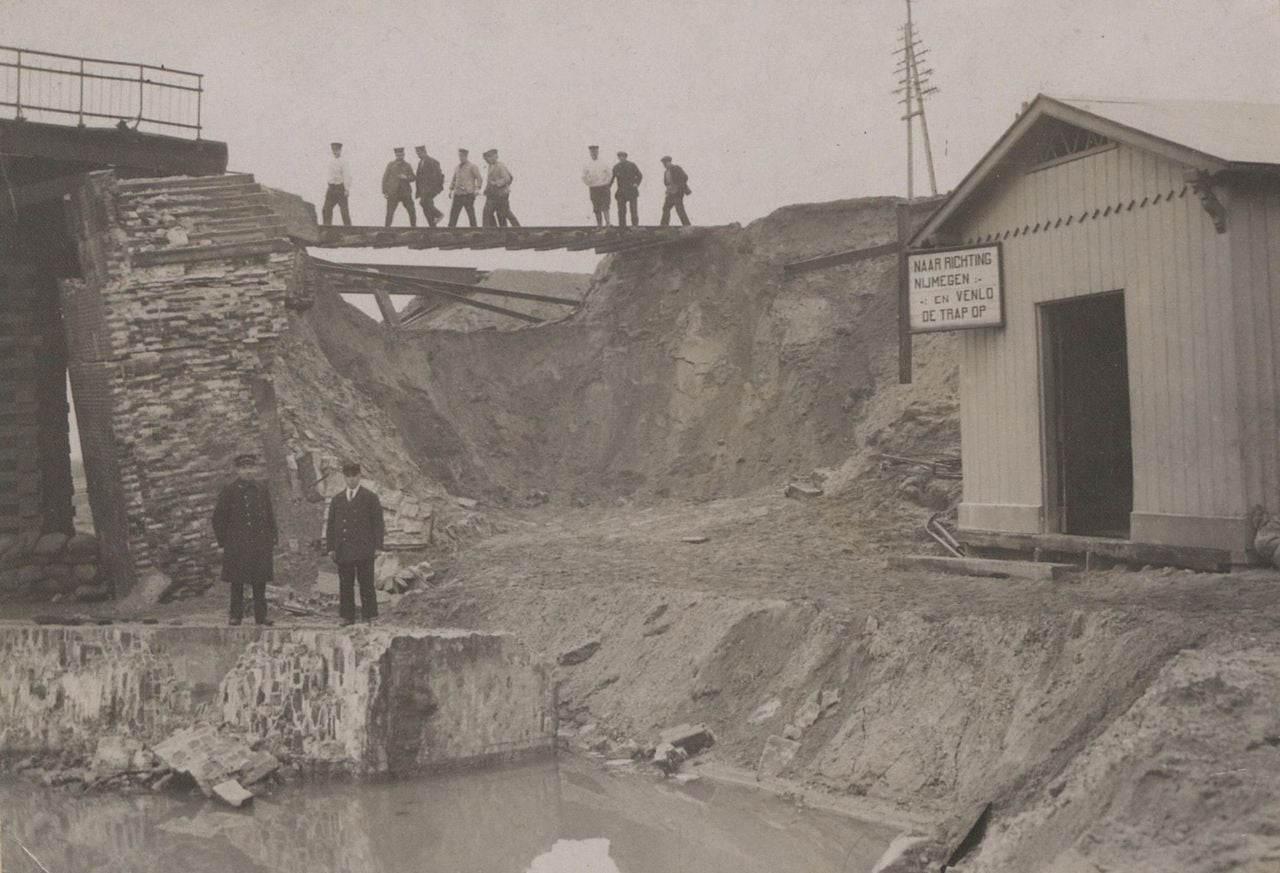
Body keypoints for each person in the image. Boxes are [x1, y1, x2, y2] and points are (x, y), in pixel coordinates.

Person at [212, 453, 277, 627]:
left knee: (259, 581)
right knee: (237, 582)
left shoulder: (262, 489)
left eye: (251, 468)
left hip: (259, 542)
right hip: (237, 544)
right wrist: (223, 542)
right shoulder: (229, 491)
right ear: (238, 470)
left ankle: (261, 617)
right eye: (244, 468)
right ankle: (235, 616)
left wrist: (273, 537)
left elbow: (269, 515)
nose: (248, 471)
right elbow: (218, 518)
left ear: (255, 469)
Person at [325, 462, 385, 626]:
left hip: (364, 548)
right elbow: (331, 525)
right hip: (343, 549)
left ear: (359, 477)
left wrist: (378, 546)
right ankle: (347, 617)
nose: (351, 480)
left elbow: (378, 524)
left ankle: (370, 615)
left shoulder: (370, 498)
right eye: (348, 477)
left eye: (354, 476)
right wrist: (330, 547)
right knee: (346, 584)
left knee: (366, 583)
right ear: (344, 478)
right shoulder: (337, 499)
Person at [482, 148, 520, 228]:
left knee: (504, 213)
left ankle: (518, 229)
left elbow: (507, 178)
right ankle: (494, 230)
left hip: (501, 195)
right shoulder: (490, 166)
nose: (489, 159)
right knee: (489, 212)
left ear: (495, 156)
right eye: (488, 157)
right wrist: (487, 189)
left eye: (491, 157)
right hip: (493, 194)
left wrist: (496, 183)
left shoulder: (500, 166)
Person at [381, 147, 417, 227]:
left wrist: (406, 177)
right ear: (395, 155)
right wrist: (384, 191)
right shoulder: (390, 165)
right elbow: (385, 178)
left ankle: (414, 227)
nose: (399, 157)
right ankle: (387, 228)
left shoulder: (407, 165)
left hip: (405, 193)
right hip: (393, 192)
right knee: (390, 212)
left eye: (400, 155)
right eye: (397, 155)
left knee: (411, 210)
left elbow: (413, 177)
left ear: (403, 155)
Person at [448, 148, 484, 227]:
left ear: (466, 156)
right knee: (453, 214)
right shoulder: (457, 167)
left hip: (468, 194)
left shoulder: (472, 166)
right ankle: (450, 231)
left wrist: (477, 188)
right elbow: (454, 179)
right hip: (457, 194)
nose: (461, 158)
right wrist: (451, 190)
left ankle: (474, 230)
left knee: (471, 214)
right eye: (459, 156)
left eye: (462, 156)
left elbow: (479, 178)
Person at [582, 145, 613, 227]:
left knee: (605, 205)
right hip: (593, 188)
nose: (594, 153)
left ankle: (608, 224)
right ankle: (599, 225)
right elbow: (583, 176)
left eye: (595, 152)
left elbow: (610, 174)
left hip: (603, 187)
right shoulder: (587, 164)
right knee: (596, 207)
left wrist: (606, 182)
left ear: (598, 152)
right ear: (590, 153)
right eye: (592, 152)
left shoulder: (603, 163)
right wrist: (589, 183)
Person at [322, 142, 352, 226]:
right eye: (333, 150)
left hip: (340, 188)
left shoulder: (344, 162)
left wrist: (346, 188)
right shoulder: (331, 161)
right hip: (331, 188)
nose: (335, 152)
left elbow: (347, 175)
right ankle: (327, 227)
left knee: (344, 210)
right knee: (326, 209)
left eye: (337, 150)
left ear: (340, 150)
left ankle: (349, 229)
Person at [414, 145, 445, 227]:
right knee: (426, 207)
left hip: (430, 189)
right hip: (422, 189)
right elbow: (419, 177)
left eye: (419, 153)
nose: (418, 155)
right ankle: (432, 225)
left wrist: (434, 189)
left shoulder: (433, 162)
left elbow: (437, 176)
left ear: (424, 152)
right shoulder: (420, 162)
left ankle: (439, 215)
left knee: (423, 202)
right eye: (417, 153)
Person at [612, 151, 643, 228]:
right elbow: (611, 178)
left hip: (631, 190)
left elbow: (639, 175)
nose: (621, 158)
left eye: (623, 156)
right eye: (620, 156)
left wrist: (636, 183)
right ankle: (622, 227)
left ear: (626, 157)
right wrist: (606, 187)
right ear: (618, 157)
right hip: (621, 192)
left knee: (633, 210)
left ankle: (635, 226)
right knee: (621, 211)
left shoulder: (632, 165)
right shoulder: (616, 167)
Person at [659, 156, 692, 226]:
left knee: (679, 208)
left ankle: (687, 225)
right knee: (666, 208)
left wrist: (678, 186)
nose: (664, 165)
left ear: (669, 162)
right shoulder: (666, 172)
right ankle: (664, 225)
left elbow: (685, 177)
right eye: (663, 163)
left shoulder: (676, 168)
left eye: (665, 163)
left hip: (678, 192)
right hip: (670, 192)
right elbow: (666, 183)